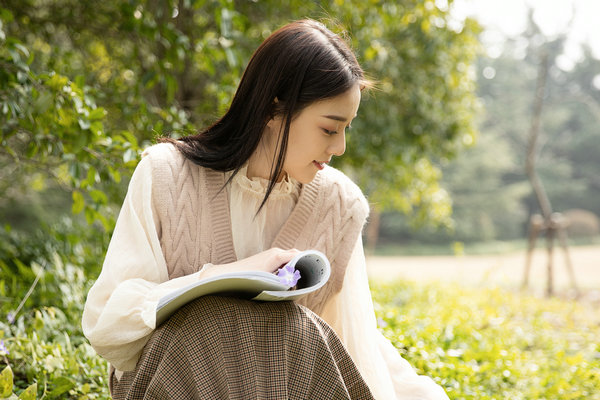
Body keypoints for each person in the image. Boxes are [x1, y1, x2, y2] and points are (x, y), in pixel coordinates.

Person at [82, 19, 449, 399]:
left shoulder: (339, 203)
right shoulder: (167, 174)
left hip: (285, 386)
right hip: (179, 378)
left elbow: (354, 341)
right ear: (274, 110)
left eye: (346, 129)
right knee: (210, 324)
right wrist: (223, 275)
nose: (339, 147)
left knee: (296, 331)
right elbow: (108, 327)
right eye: (329, 129)